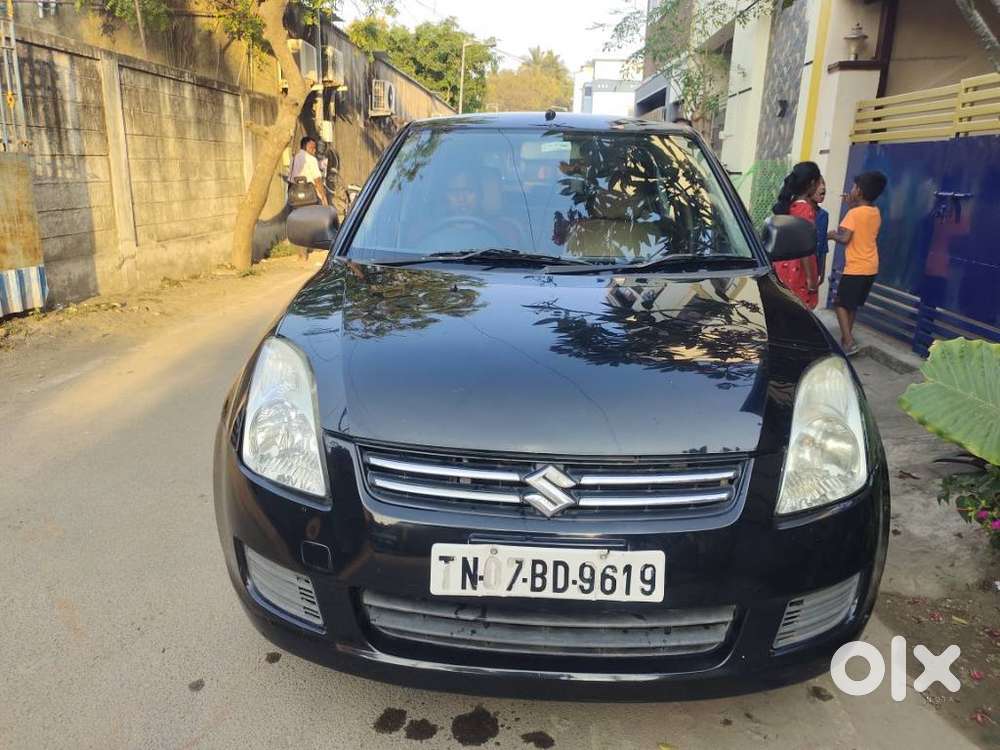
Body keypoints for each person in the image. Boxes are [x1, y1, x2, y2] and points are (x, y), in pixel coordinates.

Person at [828, 171, 888, 355]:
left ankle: (848, 341)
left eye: (854, 187)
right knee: (850, 305)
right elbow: (862, 221)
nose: (851, 189)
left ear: (859, 191)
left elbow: (845, 238)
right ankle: (847, 340)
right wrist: (852, 204)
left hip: (856, 267)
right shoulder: (875, 212)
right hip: (871, 267)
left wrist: (832, 236)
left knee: (839, 303)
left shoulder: (853, 214)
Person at [772, 162, 822, 308]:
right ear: (813, 183)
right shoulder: (805, 210)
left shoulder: (788, 206)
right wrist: (812, 281)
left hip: (781, 269)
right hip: (796, 273)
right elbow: (806, 251)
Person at [289, 136, 328, 207]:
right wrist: (324, 198)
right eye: (312, 148)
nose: (314, 150)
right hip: (311, 197)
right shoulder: (311, 159)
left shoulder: (293, 159)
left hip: (296, 198)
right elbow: (317, 180)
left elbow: (290, 180)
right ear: (306, 147)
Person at [810, 178, 830, 285]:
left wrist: (822, 271)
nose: (823, 187)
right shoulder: (799, 211)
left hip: (814, 269)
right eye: (819, 184)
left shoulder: (824, 215)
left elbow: (823, 245)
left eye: (824, 183)